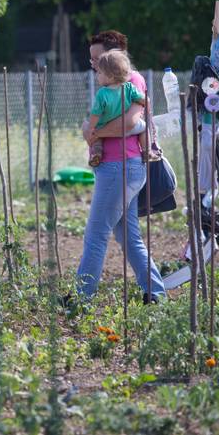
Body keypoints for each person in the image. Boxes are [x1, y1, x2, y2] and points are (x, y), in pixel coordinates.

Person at [77, 30, 165, 303]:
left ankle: (82, 298)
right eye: (92, 59)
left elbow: (130, 123)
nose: (94, 64)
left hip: (120, 167)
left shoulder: (130, 80)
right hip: (118, 168)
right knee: (128, 236)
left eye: (97, 58)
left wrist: (95, 133)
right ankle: (155, 293)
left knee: (96, 234)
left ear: (115, 56)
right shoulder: (109, 84)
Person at [86, 50, 148, 167]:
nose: (97, 75)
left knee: (97, 140)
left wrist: (91, 128)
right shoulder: (129, 87)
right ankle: (146, 151)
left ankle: (97, 154)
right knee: (145, 128)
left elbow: (95, 114)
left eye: (99, 73)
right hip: (127, 129)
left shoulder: (102, 93)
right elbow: (143, 99)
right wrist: (146, 104)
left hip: (105, 128)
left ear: (110, 76)